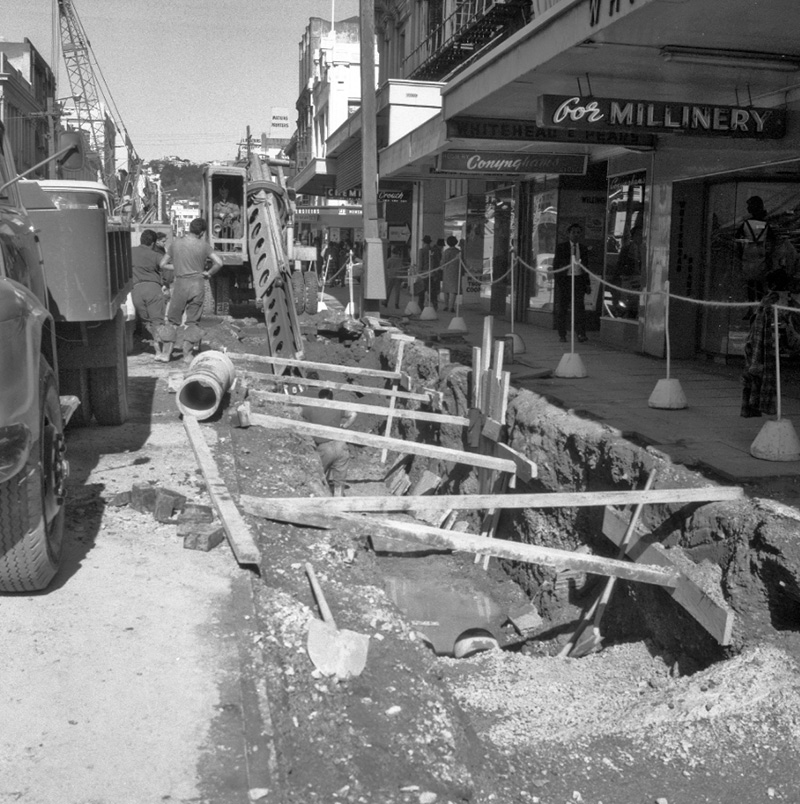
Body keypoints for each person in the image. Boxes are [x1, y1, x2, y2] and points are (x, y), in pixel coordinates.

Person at [159, 217, 223, 364]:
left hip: (181, 284)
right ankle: (187, 356)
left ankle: (165, 354)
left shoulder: (175, 244)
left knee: (173, 321)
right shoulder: (204, 246)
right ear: (201, 232)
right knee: (193, 322)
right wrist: (209, 273)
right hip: (197, 285)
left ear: (190, 228)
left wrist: (178, 267)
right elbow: (219, 262)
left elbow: (163, 264)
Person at [301, 387, 357, 497]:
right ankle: (338, 501)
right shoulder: (336, 407)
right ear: (331, 399)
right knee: (339, 482)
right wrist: (345, 426)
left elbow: (296, 413)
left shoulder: (312, 408)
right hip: (341, 445)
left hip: (324, 447)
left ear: (319, 398)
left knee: (320, 477)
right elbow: (354, 414)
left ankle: (322, 501)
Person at [131, 229, 170, 361]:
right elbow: (167, 268)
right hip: (153, 290)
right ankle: (162, 352)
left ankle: (157, 351)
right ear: (153, 243)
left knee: (147, 322)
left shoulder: (130, 252)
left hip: (136, 291)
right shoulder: (155, 255)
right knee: (158, 322)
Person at [552, 223, 591, 343]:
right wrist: (559, 281)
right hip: (565, 280)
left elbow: (586, 267)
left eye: (578, 232)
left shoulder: (583, 248)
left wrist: (587, 283)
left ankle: (580, 333)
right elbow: (556, 265)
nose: (576, 235)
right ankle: (562, 334)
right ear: (569, 234)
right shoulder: (561, 247)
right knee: (562, 308)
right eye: (573, 232)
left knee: (579, 308)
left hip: (578, 280)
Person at [736, 195, 776, 303]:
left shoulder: (745, 224)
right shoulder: (765, 225)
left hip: (747, 255)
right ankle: (759, 304)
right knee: (759, 282)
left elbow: (738, 240)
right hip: (760, 254)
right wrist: (768, 254)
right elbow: (772, 241)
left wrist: (739, 253)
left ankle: (751, 306)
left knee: (750, 283)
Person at [441, 235, 461, 312]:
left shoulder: (446, 252)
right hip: (456, 272)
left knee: (446, 289)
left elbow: (443, 262)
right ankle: (451, 307)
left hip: (446, 271)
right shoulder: (458, 252)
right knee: (453, 290)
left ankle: (446, 306)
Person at [384, 244, 406, 309]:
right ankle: (396, 304)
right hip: (398, 276)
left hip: (391, 276)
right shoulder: (400, 260)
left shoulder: (389, 260)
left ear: (392, 253)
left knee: (389, 290)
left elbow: (386, 267)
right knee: (397, 291)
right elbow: (402, 268)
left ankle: (386, 302)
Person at [416, 235, 433, 309]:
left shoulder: (422, 251)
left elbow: (420, 263)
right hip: (432, 272)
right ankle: (432, 305)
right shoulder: (433, 250)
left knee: (421, 290)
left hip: (423, 272)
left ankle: (421, 305)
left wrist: (419, 273)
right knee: (431, 290)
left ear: (423, 242)